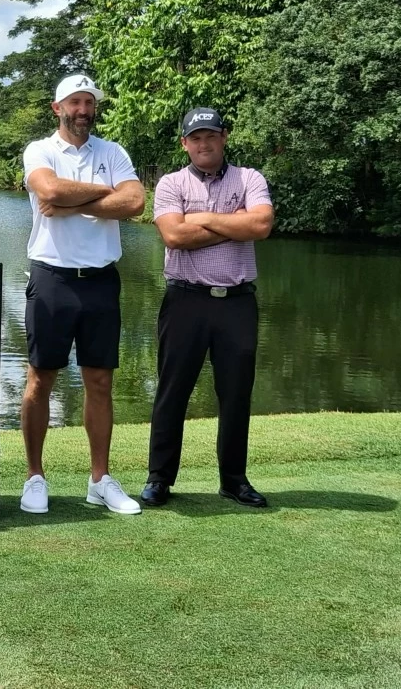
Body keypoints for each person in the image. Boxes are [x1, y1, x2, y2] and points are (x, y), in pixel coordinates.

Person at [19, 74, 146, 516]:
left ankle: (99, 480)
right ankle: (35, 476)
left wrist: (80, 202)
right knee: (41, 378)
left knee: (100, 381)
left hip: (100, 280)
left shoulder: (112, 152)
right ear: (58, 108)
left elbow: (134, 203)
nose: (83, 110)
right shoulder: (40, 150)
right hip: (52, 278)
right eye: (75, 102)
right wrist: (103, 194)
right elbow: (49, 191)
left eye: (89, 103)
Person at [141, 107, 274, 508]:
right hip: (185, 299)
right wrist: (231, 223)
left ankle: (233, 480)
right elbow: (174, 236)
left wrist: (201, 219)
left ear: (224, 137)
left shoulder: (249, 178)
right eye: (195, 138)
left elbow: (261, 226)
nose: (204, 143)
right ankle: (160, 479)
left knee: (236, 394)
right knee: (172, 391)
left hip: (236, 303)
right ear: (185, 143)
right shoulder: (170, 183)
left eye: (211, 135)